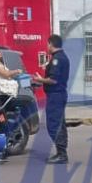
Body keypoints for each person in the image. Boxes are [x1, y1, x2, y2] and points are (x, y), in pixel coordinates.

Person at [31, 35, 71, 164]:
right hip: (59, 94)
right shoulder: (62, 57)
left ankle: (62, 154)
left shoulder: (57, 59)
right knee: (60, 124)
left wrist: (39, 79)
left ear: (50, 44)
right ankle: (62, 151)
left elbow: (53, 80)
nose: (46, 47)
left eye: (47, 44)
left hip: (56, 95)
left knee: (53, 124)